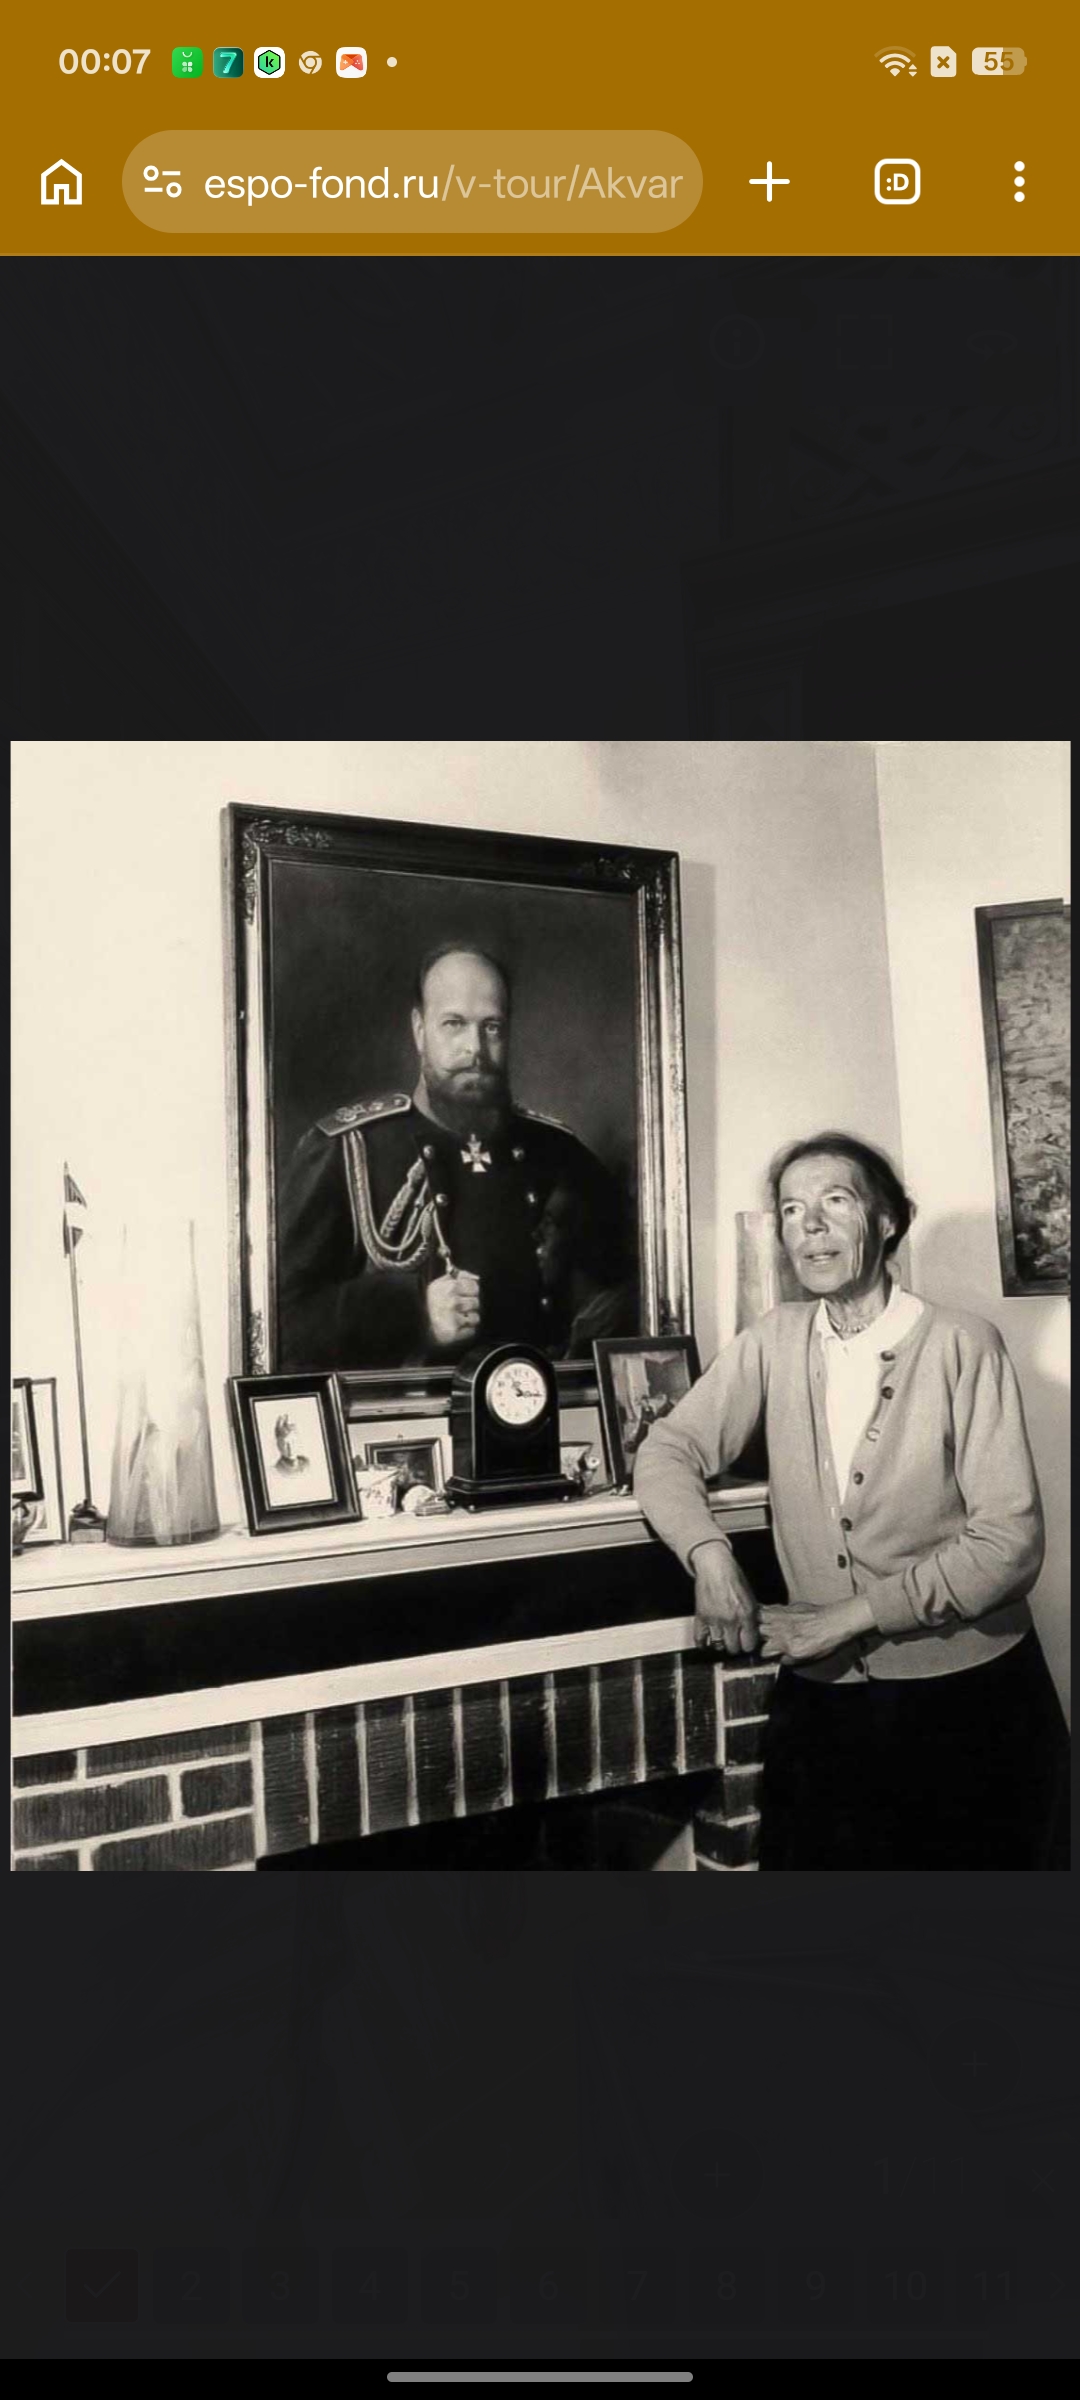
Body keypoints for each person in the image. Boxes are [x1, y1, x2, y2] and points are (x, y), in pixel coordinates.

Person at [633, 1131, 1069, 1870]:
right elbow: (666, 1448)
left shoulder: (964, 1344)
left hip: (968, 1703)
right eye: (791, 1209)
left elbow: (1009, 1546)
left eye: (835, 1201)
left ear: (888, 1220)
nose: (810, 1225)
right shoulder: (772, 1340)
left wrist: (849, 1617)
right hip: (825, 1702)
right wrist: (710, 1557)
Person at [277, 943, 635, 1369]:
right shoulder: (347, 1148)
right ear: (419, 1030)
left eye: (492, 1027)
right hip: (398, 1408)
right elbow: (279, 1324)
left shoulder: (558, 1152)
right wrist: (411, 1311)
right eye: (454, 1024)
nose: (475, 1049)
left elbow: (635, 1286)